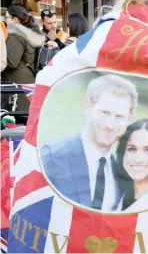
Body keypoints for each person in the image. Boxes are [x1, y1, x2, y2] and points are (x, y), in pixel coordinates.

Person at [40, 74, 138, 211]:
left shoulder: (123, 170)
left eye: (119, 116)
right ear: (88, 107)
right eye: (105, 113)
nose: (110, 125)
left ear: (129, 118)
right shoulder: (52, 156)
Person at [3, 5, 44, 83]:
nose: (5, 21)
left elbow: (11, 62)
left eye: (6, 17)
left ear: (15, 19)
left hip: (16, 82)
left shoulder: (16, 34)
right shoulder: (32, 31)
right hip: (29, 78)